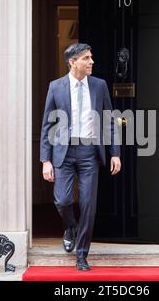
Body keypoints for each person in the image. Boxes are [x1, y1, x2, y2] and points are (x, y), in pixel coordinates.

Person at [40, 43, 121, 271]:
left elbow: (109, 121)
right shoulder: (55, 87)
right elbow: (47, 125)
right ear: (72, 62)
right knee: (63, 201)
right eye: (86, 58)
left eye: (91, 57)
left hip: (89, 153)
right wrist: (45, 159)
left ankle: (82, 254)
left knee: (88, 205)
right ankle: (70, 227)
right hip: (63, 154)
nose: (91, 62)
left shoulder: (99, 86)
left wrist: (115, 153)